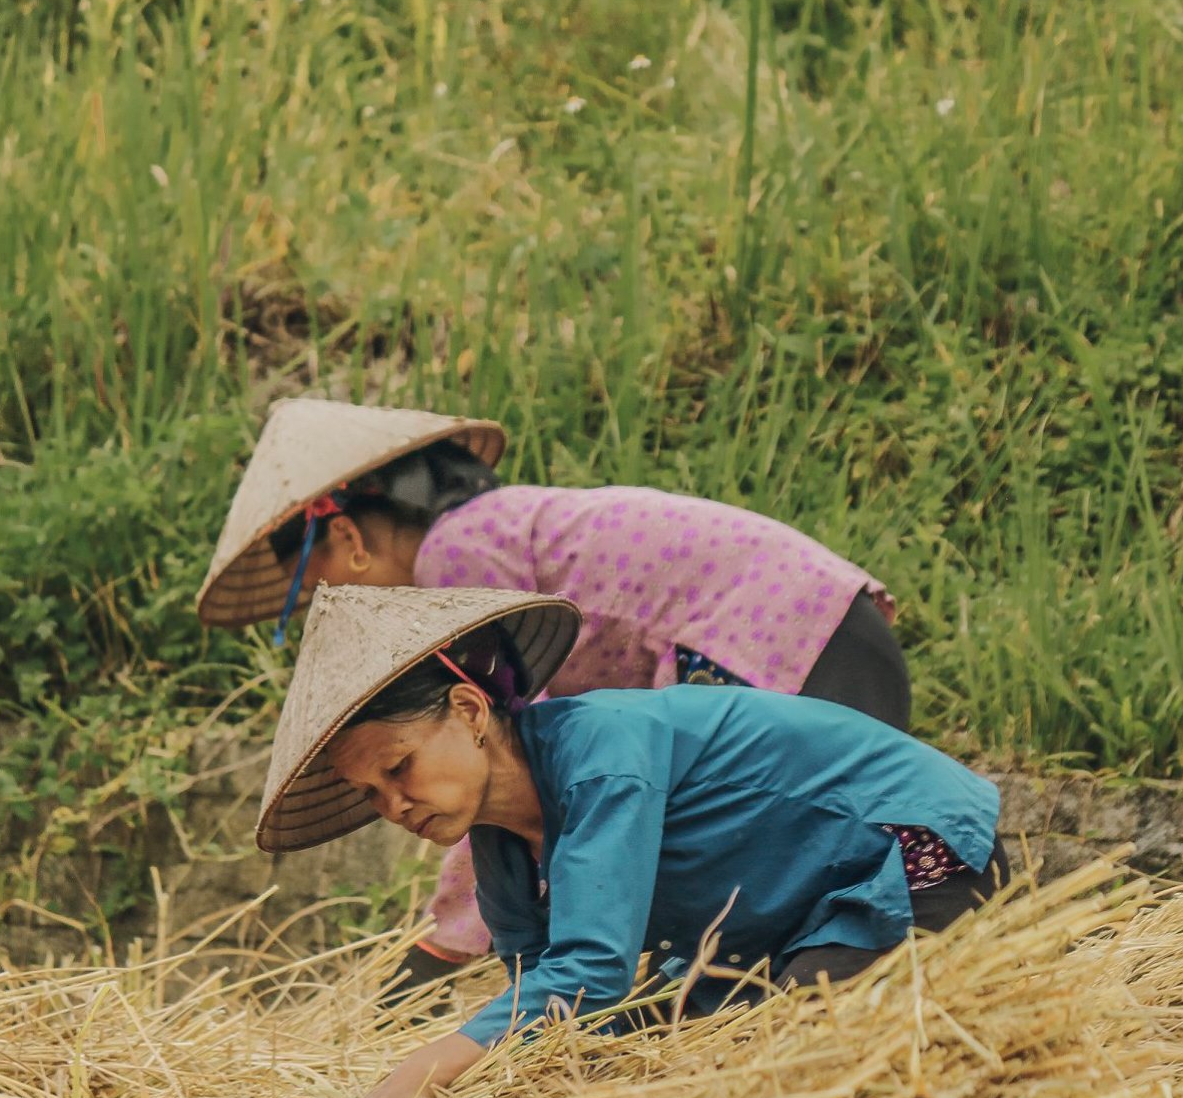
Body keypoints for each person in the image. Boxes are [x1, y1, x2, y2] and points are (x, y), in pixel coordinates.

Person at [255, 585, 1005, 1098]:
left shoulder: (601, 750)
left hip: (904, 857)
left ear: (468, 708)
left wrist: (429, 1065)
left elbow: (593, 969)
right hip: (777, 928)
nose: (396, 806)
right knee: (667, 1045)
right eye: (374, 797)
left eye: (397, 768)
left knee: (780, 1078)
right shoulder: (501, 846)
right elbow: (544, 999)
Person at [199, 398, 912, 983]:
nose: (340, 618)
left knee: (814, 862)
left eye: (322, 594)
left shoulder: (453, 555)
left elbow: (494, 761)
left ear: (350, 538)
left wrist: (446, 940)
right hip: (821, 624)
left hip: (773, 639)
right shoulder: (491, 526)